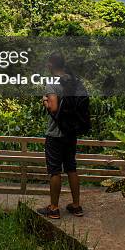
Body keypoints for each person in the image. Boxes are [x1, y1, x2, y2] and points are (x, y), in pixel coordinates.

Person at [37, 51, 86, 220]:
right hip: (71, 132)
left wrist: (45, 101)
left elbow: (54, 108)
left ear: (51, 65)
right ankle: (76, 205)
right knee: (71, 168)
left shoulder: (52, 83)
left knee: (55, 171)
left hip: (55, 134)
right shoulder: (73, 80)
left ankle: (54, 207)